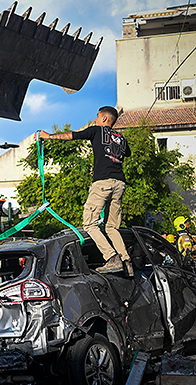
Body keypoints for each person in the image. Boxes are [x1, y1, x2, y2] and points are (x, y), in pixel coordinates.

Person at [39, 106, 133, 276]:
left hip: (102, 182)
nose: (95, 119)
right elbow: (127, 153)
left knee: (90, 224)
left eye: (97, 116)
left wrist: (49, 136)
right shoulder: (121, 138)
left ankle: (111, 257)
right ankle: (126, 261)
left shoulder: (96, 131)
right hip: (120, 184)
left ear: (104, 119)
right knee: (112, 227)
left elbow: (72, 136)